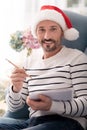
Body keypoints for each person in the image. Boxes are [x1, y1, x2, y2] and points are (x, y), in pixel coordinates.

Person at [0, 5, 87, 130]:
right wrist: (15, 88)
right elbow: (14, 108)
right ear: (36, 33)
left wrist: (52, 106)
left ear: (62, 32)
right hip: (34, 121)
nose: (47, 36)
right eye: (41, 30)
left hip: (68, 122)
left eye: (53, 29)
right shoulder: (28, 62)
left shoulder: (77, 58)